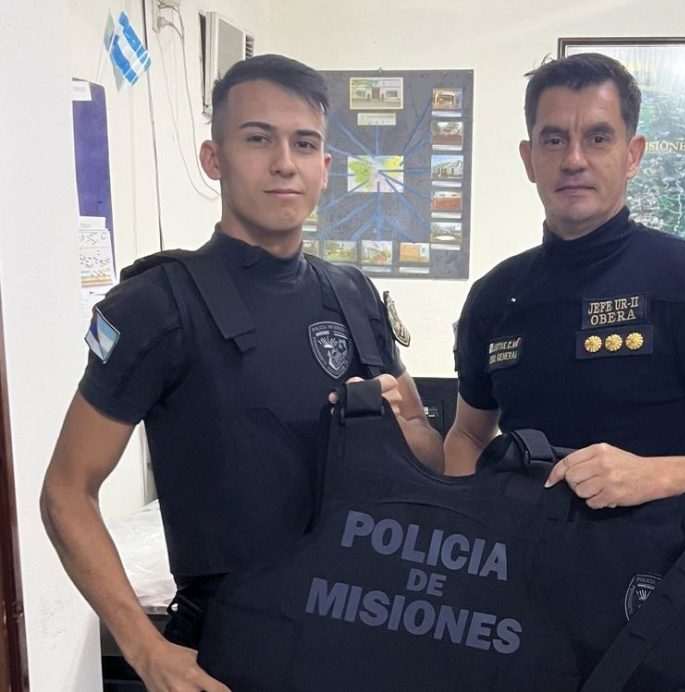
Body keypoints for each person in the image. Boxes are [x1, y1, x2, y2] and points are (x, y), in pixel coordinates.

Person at [41, 54, 442, 692]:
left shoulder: (354, 295)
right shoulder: (158, 305)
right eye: (258, 139)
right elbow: (66, 491)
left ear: (325, 167)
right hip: (235, 653)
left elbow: (428, 455)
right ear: (214, 158)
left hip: (368, 641)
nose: (284, 162)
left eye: (303, 143)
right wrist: (145, 650)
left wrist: (408, 429)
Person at [444, 53, 685, 511]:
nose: (574, 160)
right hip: (517, 552)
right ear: (529, 159)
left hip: (655, 556)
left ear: (632, 155)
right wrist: (473, 520)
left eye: (598, 138)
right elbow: (467, 435)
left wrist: (653, 475)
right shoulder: (494, 295)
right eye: (554, 140)